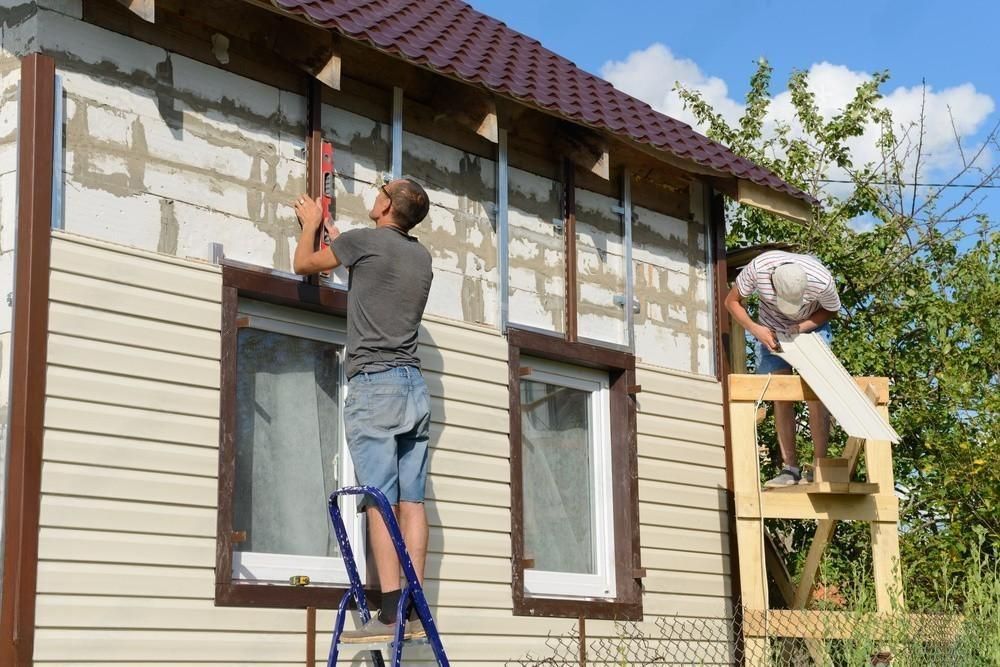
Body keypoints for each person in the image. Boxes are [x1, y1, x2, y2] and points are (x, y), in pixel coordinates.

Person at [292, 178, 434, 641]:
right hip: (415, 388)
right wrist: (338, 234)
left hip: (376, 387)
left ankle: (389, 615)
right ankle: (412, 610)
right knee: (412, 502)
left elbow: (304, 263)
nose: (376, 194)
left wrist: (312, 225)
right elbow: (365, 261)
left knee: (379, 500)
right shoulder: (420, 257)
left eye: (382, 190)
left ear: (388, 204)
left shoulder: (363, 243)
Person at [724, 250, 841, 487]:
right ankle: (790, 469)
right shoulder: (758, 270)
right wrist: (755, 329)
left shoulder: (822, 280)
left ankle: (820, 466)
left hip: (811, 328)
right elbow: (731, 301)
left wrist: (803, 326)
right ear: (773, 285)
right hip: (770, 331)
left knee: (816, 392)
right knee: (781, 393)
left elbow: (831, 309)